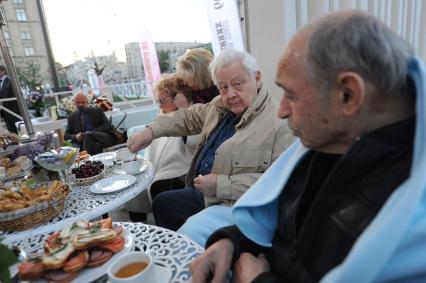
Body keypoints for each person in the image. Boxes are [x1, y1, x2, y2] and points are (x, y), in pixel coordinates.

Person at [190, 11, 425, 283]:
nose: (281, 111)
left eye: (291, 95)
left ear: (348, 94)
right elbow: (281, 218)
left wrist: (257, 280)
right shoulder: (330, 138)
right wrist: (232, 242)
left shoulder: (415, 227)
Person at [127, 49, 294, 231]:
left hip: (231, 203)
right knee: (162, 202)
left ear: (257, 78)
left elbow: (279, 184)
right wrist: (150, 131)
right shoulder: (219, 106)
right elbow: (187, 118)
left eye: (237, 84)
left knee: (167, 203)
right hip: (203, 190)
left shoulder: (280, 123)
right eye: (223, 87)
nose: (230, 94)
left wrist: (220, 185)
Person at [125, 74, 198, 222]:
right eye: (158, 101)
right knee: (133, 182)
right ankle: (140, 223)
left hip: (180, 170)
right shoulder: (162, 119)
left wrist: (184, 110)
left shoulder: (193, 113)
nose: (159, 105)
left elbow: (194, 143)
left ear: (177, 98)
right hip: (156, 169)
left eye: (162, 101)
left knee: (158, 188)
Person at [0, 65, 21, 133]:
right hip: (5, 111)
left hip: (13, 110)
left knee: (18, 129)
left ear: (3, 71)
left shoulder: (10, 81)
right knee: (10, 130)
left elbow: (15, 95)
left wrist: (3, 103)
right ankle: (15, 142)